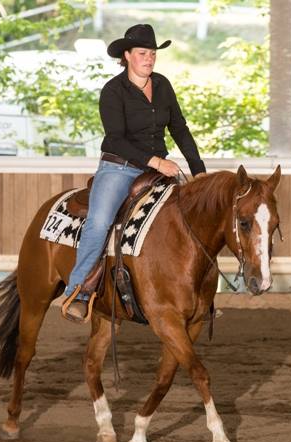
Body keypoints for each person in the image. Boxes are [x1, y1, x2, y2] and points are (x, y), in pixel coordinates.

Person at [61, 24, 206, 323]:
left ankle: (196, 292)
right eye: (143, 53)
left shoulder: (163, 85)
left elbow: (179, 128)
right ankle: (78, 292)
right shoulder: (113, 91)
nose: (149, 59)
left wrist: (199, 172)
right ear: (127, 55)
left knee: (192, 219)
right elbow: (115, 139)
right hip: (120, 168)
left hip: (158, 169)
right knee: (99, 223)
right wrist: (155, 161)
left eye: (152, 54)